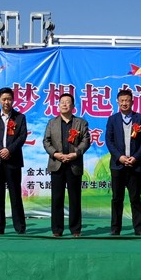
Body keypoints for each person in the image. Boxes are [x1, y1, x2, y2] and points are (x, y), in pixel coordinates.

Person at [43, 93, 91, 237]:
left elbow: (86, 141)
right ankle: (57, 230)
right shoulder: (52, 123)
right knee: (57, 198)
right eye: (62, 102)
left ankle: (75, 229)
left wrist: (75, 154)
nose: (64, 104)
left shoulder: (81, 123)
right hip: (57, 164)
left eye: (67, 102)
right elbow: (46, 141)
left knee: (74, 198)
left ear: (73, 106)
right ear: (58, 105)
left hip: (74, 164)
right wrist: (55, 154)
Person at [105, 89, 141, 236]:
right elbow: (109, 141)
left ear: (132, 102)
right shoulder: (112, 119)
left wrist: (135, 157)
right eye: (122, 101)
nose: (124, 103)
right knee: (117, 199)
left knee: (135, 198)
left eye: (127, 100)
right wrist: (120, 157)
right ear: (117, 102)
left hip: (135, 165)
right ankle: (115, 228)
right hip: (118, 165)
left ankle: (138, 228)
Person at [0, 87, 28, 234]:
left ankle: (20, 227)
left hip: (13, 161)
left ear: (13, 100)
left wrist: (9, 150)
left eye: (9, 99)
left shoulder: (20, 117)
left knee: (15, 195)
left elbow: (22, 137)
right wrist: (0, 150)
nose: (6, 102)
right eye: (4, 99)